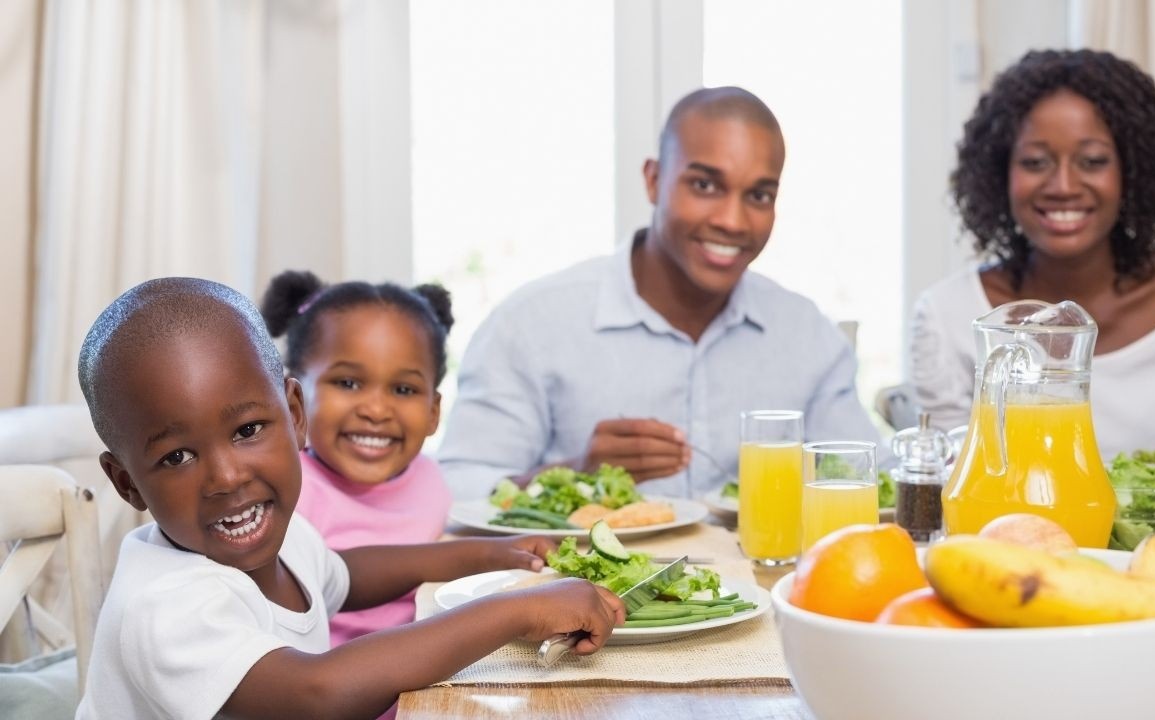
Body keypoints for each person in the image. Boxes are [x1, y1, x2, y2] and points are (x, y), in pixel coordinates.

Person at [75, 277, 623, 720]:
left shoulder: (281, 538)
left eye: (246, 431)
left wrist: (485, 554)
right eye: (177, 457)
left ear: (294, 415)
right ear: (127, 484)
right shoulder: (166, 606)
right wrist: (515, 611)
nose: (226, 477)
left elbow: (346, 575)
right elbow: (315, 694)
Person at [437, 86, 882, 501]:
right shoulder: (533, 323)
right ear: (653, 180)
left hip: (766, 584)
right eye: (705, 185)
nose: (733, 220)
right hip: (584, 585)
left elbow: (869, 477)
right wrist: (578, 473)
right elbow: (458, 489)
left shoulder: (806, 334)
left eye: (759, 195)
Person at [909, 49, 1155, 458]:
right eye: (1035, 162)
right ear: (1000, 174)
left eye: (1093, 160)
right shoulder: (948, 315)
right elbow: (949, 486)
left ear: (1133, 171)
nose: (1064, 185)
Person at [259, 270, 454, 654]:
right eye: (347, 383)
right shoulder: (281, 493)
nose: (376, 410)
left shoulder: (431, 480)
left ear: (433, 412)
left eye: (403, 389)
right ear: (292, 400)